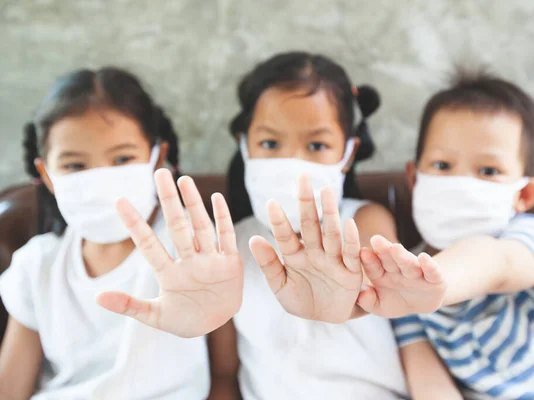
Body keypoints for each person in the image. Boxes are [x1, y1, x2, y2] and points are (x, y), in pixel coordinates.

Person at [99, 52, 452, 399]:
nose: (291, 162)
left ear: (347, 153)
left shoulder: (364, 219)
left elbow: (384, 278)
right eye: (270, 143)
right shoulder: (230, 248)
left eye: (317, 144)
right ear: (245, 146)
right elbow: (226, 376)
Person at [362, 69, 534, 398]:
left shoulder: (531, 236)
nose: (462, 183)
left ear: (524, 195)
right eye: (443, 165)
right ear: (414, 179)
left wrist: (434, 280)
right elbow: (426, 377)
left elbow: (493, 260)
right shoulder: (401, 276)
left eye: (488, 171)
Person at [0, 67, 233, 399]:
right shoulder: (37, 266)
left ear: (156, 158)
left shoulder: (195, 250)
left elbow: (225, 376)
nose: (100, 180)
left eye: (123, 158)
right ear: (46, 174)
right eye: (75, 166)